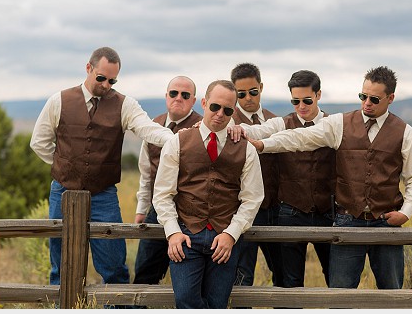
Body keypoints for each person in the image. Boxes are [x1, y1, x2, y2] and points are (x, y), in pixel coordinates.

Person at [249, 66, 412, 290]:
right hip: (347, 220)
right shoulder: (339, 123)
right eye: (363, 96)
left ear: (390, 98)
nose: (366, 103)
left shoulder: (405, 132)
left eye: (374, 98)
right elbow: (300, 137)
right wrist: (263, 145)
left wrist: (406, 212)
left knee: (391, 291)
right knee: (339, 294)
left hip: (386, 220)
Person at [29, 47, 174, 286]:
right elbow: (39, 142)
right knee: (61, 264)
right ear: (89, 68)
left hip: (103, 194)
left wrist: (177, 139)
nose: (106, 84)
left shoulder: (124, 105)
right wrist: (64, 165)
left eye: (112, 80)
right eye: (101, 78)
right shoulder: (59, 100)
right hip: (62, 191)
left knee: (114, 265)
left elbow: (148, 129)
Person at [153, 79, 263, 309]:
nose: (220, 114)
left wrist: (231, 235)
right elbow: (162, 194)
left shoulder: (246, 149)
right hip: (186, 236)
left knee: (217, 304)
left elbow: (252, 199)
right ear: (204, 103)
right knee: (185, 299)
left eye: (228, 110)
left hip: (224, 239)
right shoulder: (178, 142)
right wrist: (173, 233)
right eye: (215, 107)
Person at [233, 70, 336, 288]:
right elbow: (258, 130)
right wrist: (230, 126)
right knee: (290, 280)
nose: (301, 106)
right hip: (291, 211)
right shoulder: (282, 123)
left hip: (327, 212)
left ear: (318, 95)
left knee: (335, 277)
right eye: (295, 101)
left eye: (307, 100)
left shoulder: (334, 124)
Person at [132, 76, 204, 287]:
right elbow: (146, 173)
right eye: (174, 93)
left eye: (185, 95)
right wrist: (141, 210)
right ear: (166, 96)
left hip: (190, 212)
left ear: (193, 100)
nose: (178, 98)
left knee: (187, 279)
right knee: (145, 273)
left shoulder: (202, 128)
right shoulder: (153, 126)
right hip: (156, 211)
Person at [230, 62, 282, 288]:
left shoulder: (275, 121)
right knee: (242, 274)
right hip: (240, 210)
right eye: (241, 94)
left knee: (282, 271)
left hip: (274, 209)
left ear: (261, 87)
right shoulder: (227, 120)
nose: (248, 98)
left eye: (253, 92)